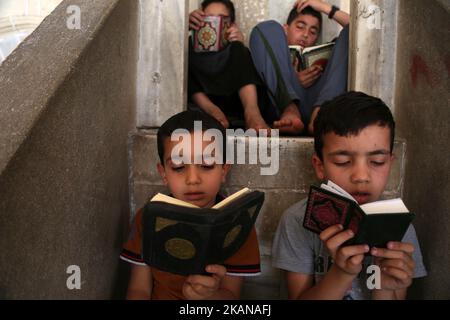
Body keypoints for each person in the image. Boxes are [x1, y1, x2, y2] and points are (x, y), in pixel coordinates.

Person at [272, 92, 427, 299]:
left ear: (390, 163)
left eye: (377, 161)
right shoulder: (297, 221)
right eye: (343, 162)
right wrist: (341, 273)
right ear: (320, 166)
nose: (361, 177)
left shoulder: (400, 228)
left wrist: (384, 287)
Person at [120, 110, 260, 300]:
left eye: (207, 165)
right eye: (178, 167)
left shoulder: (237, 221)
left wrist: (210, 296)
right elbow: (139, 290)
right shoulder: (148, 218)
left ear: (224, 170)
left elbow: (232, 296)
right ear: (163, 173)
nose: (193, 179)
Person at [249, 0, 349, 135]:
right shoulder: (275, 38)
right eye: (300, 27)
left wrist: (325, 8)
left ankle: (320, 116)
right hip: (281, 105)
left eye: (313, 31)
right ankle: (290, 108)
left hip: (320, 101)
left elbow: (359, 30)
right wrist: (292, 80)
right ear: (285, 29)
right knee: (267, 27)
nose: (306, 34)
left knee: (350, 34)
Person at [188, 0, 271, 132]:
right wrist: (185, 26)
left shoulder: (235, 50)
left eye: (221, 19)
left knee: (239, 48)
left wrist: (239, 43)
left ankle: (252, 114)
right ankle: (211, 110)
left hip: (233, 102)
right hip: (202, 103)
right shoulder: (190, 50)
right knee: (185, 51)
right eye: (209, 18)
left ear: (232, 24)